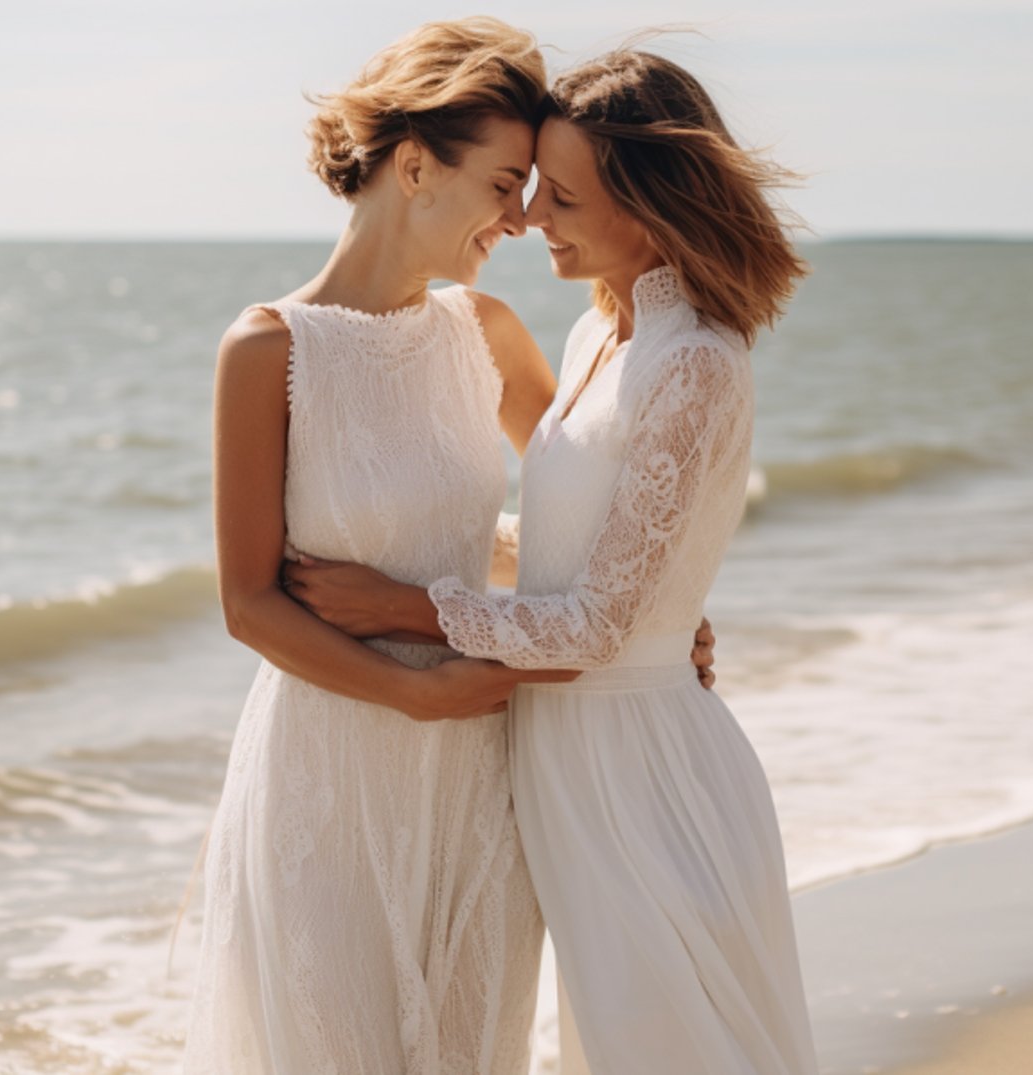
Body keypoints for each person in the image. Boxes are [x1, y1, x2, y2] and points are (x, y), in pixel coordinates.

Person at [182, 18, 716, 1073]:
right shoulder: (268, 350)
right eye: (504, 184)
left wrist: (659, 615)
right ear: (415, 166)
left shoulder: (488, 333)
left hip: (482, 770)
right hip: (328, 775)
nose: (521, 220)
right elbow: (251, 604)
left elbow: (583, 515)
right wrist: (414, 692)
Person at [285, 47, 820, 1074]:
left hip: (642, 773)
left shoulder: (698, 359)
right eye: (530, 190)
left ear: (650, 203)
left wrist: (402, 604)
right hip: (569, 760)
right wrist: (396, 537)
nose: (531, 219)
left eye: (563, 196)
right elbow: (579, 558)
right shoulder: (595, 339)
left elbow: (593, 627)